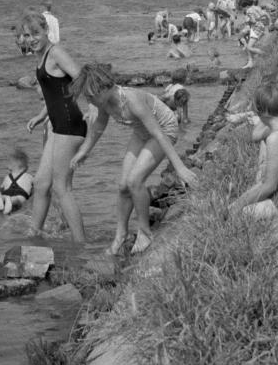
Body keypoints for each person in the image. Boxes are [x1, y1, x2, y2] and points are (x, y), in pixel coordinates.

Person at [68, 63, 198, 256]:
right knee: (123, 186)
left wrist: (179, 168)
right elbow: (98, 127)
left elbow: (159, 135)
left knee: (135, 181)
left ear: (103, 88)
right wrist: (84, 151)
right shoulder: (103, 103)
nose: (88, 101)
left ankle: (144, 233)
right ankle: (120, 236)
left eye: (89, 96)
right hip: (141, 132)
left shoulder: (131, 100)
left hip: (163, 129)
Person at [24, 13, 86, 242]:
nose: (31, 39)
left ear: (46, 31)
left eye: (35, 34)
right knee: (41, 184)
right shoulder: (40, 56)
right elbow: (54, 94)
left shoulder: (56, 52)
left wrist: (95, 108)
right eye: (27, 36)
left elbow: (81, 77)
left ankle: (81, 245)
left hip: (70, 124)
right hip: (57, 124)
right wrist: (42, 115)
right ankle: (34, 235)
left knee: (62, 189)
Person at [230, 82, 278, 219]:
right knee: (235, 207)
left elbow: (270, 186)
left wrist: (237, 205)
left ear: (259, 111)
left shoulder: (275, 138)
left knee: (236, 215)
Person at [0, 148, 34, 215]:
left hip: (7, 191)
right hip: (20, 192)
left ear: (10, 167)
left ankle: (0, 196)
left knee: (3, 195)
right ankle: (10, 200)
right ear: (25, 167)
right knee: (18, 199)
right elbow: (37, 184)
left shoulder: (7, 177)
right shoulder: (28, 176)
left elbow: (1, 188)